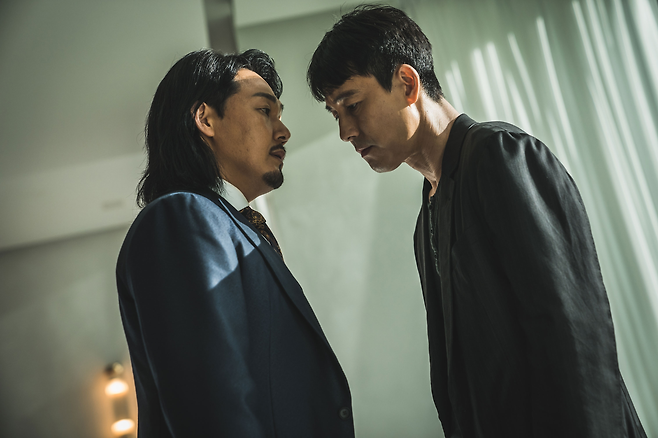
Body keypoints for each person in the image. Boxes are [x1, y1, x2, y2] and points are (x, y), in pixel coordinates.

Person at [307, 5, 647, 438]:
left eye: (353, 106)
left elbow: (575, 335)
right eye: (336, 115)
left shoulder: (500, 156)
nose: (346, 132)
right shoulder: (428, 214)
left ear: (407, 84)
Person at [116, 49, 354, 437]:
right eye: (265, 111)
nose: (284, 131)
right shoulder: (182, 216)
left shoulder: (226, 223)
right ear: (206, 119)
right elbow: (211, 400)